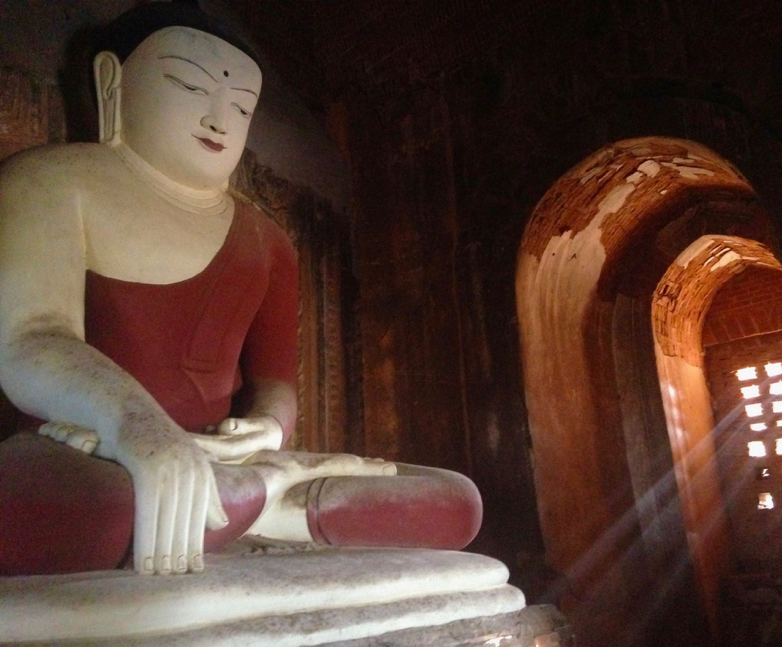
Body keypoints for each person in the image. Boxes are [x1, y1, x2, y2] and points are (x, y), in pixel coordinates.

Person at [0, 1, 480, 577]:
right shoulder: (49, 182)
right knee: (68, 516)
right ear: (113, 80)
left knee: (454, 500)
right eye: (188, 85)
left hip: (234, 460)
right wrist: (139, 429)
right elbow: (29, 339)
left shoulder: (268, 240)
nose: (218, 120)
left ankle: (245, 499)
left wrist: (269, 429)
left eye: (241, 106)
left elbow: (275, 381)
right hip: (91, 451)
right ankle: (256, 509)